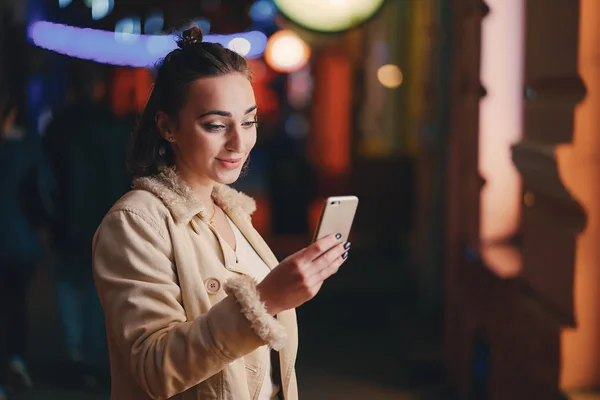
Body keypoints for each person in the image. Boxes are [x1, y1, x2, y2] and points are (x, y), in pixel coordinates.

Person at [92, 26, 351, 400]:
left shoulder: (231, 210)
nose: (239, 142)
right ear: (167, 127)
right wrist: (265, 300)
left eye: (249, 122)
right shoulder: (135, 222)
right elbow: (154, 369)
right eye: (216, 125)